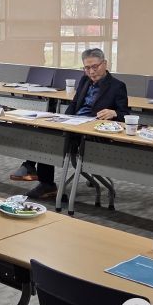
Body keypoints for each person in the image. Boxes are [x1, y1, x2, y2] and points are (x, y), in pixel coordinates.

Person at [24, 48, 130, 199]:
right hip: (74, 124)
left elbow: (126, 115)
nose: (91, 71)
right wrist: (62, 120)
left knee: (49, 139)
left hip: (92, 132)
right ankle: (44, 182)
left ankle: (31, 168)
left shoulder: (117, 86)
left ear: (105, 64)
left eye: (95, 66)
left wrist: (114, 113)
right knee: (45, 130)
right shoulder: (84, 80)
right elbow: (74, 104)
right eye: (87, 68)